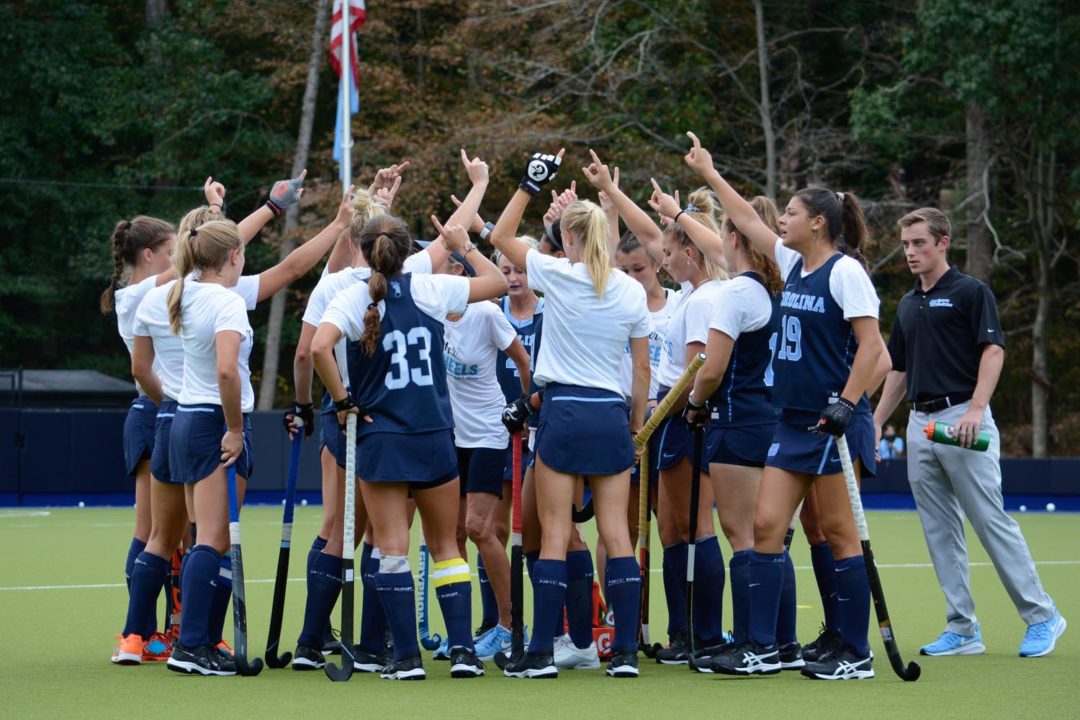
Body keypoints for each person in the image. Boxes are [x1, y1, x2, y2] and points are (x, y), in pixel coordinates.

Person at [670, 132, 888, 680]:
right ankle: (763, 646)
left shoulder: (844, 272)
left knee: (838, 534)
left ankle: (855, 652)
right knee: (766, 527)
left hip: (825, 423)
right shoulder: (793, 263)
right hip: (789, 423)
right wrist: (710, 175)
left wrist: (846, 402)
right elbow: (744, 220)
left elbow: (873, 347)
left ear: (818, 222)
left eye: (791, 212)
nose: (782, 219)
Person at [312, 202, 508, 680]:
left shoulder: (352, 297)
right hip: (435, 435)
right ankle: (463, 652)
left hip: (383, 438)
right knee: (446, 546)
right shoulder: (430, 286)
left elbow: (318, 348)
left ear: (363, 252)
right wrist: (464, 249)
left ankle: (405, 659)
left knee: (393, 547)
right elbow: (499, 284)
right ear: (408, 253)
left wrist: (341, 401)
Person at [872, 207, 1064, 658]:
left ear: (943, 243)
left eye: (919, 243)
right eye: (905, 245)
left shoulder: (971, 292)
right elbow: (898, 369)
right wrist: (877, 421)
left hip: (963, 419)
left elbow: (993, 352)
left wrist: (977, 408)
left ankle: (1043, 616)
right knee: (939, 529)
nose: (910, 252)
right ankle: (962, 628)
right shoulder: (907, 303)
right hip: (920, 423)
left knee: (989, 521)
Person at [490, 149, 651, 679]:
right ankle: (624, 652)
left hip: (563, 411)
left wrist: (531, 182)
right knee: (616, 535)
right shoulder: (629, 288)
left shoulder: (558, 273)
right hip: (609, 415)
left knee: (555, 531)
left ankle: (539, 652)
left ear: (573, 239)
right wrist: (634, 429)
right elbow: (641, 373)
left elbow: (500, 236)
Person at [582, 152, 727, 667]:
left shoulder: (708, 295)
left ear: (689, 251)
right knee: (671, 531)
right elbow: (647, 237)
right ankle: (680, 632)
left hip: (684, 414)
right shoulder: (690, 288)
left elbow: (698, 370)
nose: (661, 256)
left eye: (670, 250)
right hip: (662, 418)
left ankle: (706, 634)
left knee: (694, 529)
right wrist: (613, 195)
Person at [676, 195, 805, 669]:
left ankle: (757, 642)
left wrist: (692, 405)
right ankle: (783, 642)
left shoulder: (735, 294)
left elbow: (711, 369)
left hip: (735, 423)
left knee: (744, 537)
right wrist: (679, 213)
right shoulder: (783, 287)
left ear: (735, 239)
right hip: (771, 421)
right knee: (770, 539)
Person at [435, 249, 531, 661]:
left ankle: (510, 626)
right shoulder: (433, 311)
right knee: (451, 534)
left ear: (457, 271)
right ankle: (461, 635)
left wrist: (527, 408)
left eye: (436, 265)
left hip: (489, 434)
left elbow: (524, 364)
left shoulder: (487, 315)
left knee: (478, 528)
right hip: (450, 437)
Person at [101, 213, 177, 662]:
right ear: (148, 255)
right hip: (154, 410)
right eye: (167, 251)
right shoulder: (134, 294)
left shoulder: (153, 291)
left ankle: (146, 634)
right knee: (152, 532)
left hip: (150, 412)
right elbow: (192, 262)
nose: (174, 258)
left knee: (154, 531)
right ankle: (140, 633)